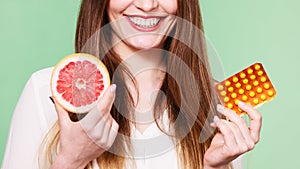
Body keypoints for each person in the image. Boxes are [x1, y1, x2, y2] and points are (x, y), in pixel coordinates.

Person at [2, 0, 262, 169]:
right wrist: (72, 160)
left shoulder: (216, 105)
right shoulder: (46, 90)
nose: (148, 5)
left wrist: (213, 168)